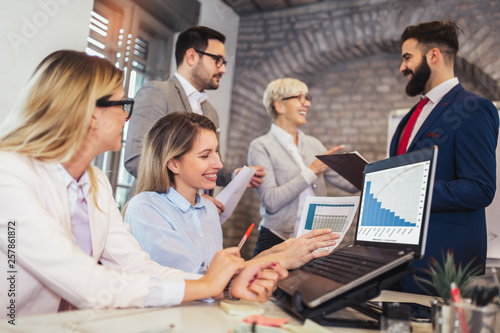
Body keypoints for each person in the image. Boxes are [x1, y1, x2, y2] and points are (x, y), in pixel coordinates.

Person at [0, 50, 287, 316]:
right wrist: (207, 285)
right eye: (123, 104)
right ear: (90, 114)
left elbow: (137, 267)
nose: (128, 115)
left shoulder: (96, 181)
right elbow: (86, 283)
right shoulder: (9, 174)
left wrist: (226, 282)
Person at [123, 112, 340, 274]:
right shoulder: (145, 208)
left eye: (216, 152)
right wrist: (282, 259)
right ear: (173, 164)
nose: (218, 163)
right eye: (205, 155)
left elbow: (216, 274)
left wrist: (273, 253)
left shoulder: (207, 208)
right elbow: (199, 279)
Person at [389, 20, 499, 293]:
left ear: (433, 55)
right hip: (398, 261)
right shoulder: (408, 118)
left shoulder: (473, 108)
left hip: (443, 265)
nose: (402, 67)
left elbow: (480, 188)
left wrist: (412, 192)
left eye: (407, 57)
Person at [124, 26, 264, 204]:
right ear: (191, 57)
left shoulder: (210, 111)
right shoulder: (157, 93)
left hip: (196, 219)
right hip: (154, 211)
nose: (223, 70)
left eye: (224, 63)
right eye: (217, 60)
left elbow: (206, 162)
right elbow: (137, 158)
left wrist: (235, 175)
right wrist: (191, 197)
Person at [248, 78, 359, 256]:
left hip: (313, 241)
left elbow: (350, 185)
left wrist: (372, 171)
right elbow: (271, 201)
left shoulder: (314, 145)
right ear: (280, 106)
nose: (306, 103)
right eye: (299, 97)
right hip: (276, 240)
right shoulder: (261, 146)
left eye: (307, 98)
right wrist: (311, 171)